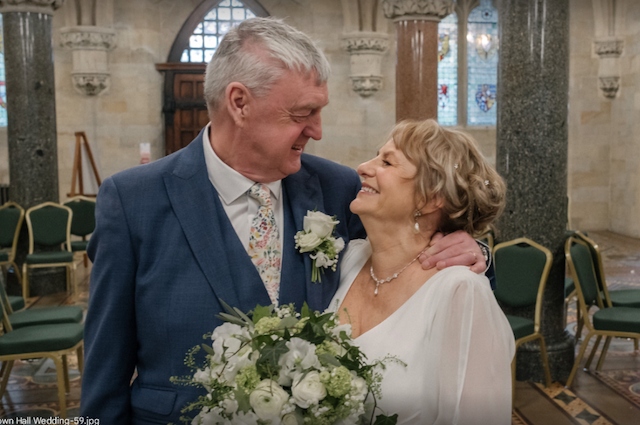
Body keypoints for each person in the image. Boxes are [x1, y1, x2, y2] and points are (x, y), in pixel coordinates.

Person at [80, 18, 485, 424]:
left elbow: (420, 273)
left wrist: (471, 250)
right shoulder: (134, 201)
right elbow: (105, 369)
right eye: (302, 113)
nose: (318, 131)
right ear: (239, 103)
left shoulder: (336, 188)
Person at [330, 119, 515, 425]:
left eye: (387, 161)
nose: (362, 167)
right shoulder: (349, 260)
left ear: (431, 198)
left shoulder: (460, 292)